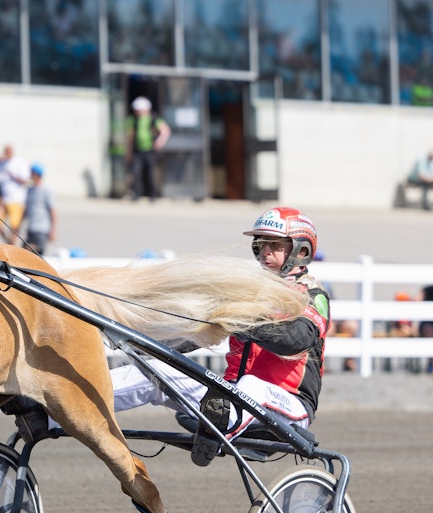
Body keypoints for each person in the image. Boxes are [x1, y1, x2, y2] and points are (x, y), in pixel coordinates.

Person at [109, 207, 329, 455]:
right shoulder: (250, 291)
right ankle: (64, 406)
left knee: (251, 385)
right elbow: (194, 337)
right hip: (230, 398)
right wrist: (139, 344)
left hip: (289, 406)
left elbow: (296, 340)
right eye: (262, 244)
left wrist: (244, 320)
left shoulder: (312, 294)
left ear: (301, 250)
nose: (265, 251)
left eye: (276, 245)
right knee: (152, 372)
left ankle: (217, 428)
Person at [125, 96, 171, 201]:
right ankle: (137, 194)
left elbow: (165, 130)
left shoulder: (153, 118)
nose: (137, 111)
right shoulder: (133, 120)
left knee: (150, 173)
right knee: (136, 172)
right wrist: (129, 152)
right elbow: (130, 137)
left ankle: (152, 195)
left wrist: (159, 142)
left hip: (150, 150)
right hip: (137, 150)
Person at [0, 144, 30, 244]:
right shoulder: (2, 163)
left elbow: (25, 180)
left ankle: (12, 244)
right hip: (3, 199)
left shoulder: (19, 162)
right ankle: (7, 242)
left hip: (16, 199)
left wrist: (13, 176)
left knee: (14, 226)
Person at [22, 162, 56, 255]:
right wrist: (19, 225)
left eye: (31, 173)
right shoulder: (30, 190)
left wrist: (53, 230)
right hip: (31, 229)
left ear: (36, 174)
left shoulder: (46, 191)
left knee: (35, 253)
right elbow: (26, 209)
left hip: (41, 229)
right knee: (24, 253)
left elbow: (52, 211)